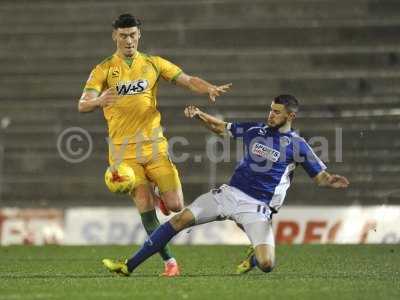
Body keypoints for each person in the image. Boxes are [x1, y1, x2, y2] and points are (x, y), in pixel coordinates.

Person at [102, 94, 350, 276]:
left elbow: (320, 177)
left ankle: (256, 255)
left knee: (267, 265)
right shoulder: (256, 130)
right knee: (179, 220)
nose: (270, 114)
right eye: (270, 110)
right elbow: (222, 128)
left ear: (290, 116)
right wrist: (200, 115)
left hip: (257, 207)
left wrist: (331, 181)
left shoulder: (299, 146)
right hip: (228, 194)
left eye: (276, 112)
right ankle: (128, 265)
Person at [78, 13, 231, 277]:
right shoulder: (103, 69)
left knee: (176, 206)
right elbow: (82, 104)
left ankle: (162, 199)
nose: (129, 40)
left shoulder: (153, 63)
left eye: (133, 35)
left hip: (155, 147)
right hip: (123, 154)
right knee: (144, 204)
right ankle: (169, 262)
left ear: (139, 35)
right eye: (124, 35)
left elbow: (187, 79)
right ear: (115, 36)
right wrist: (98, 101)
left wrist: (208, 88)